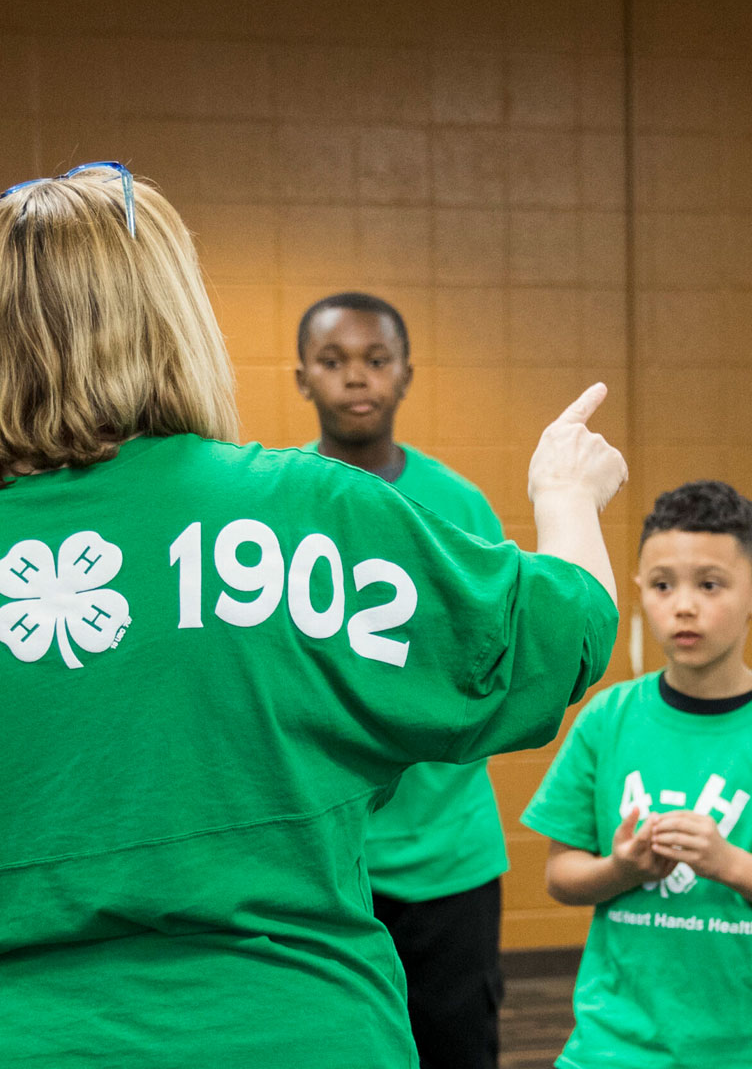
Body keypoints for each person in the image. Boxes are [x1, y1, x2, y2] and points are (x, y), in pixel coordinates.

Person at [0, 164, 626, 1069]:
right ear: (174, 318)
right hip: (289, 1033)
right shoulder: (302, 513)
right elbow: (552, 639)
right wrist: (566, 495)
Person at [295, 291, 507, 1069]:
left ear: (406, 375)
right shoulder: (272, 503)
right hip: (323, 864)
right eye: (334, 361)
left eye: (376, 360)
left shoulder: (459, 506)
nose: (357, 379)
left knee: (458, 1051)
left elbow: (492, 663)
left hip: (451, 857)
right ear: (301, 377)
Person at [521, 480, 752, 1069]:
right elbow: (561, 874)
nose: (683, 605)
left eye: (710, 584)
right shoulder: (608, 718)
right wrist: (620, 869)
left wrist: (730, 865)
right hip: (611, 1046)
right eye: (661, 585)